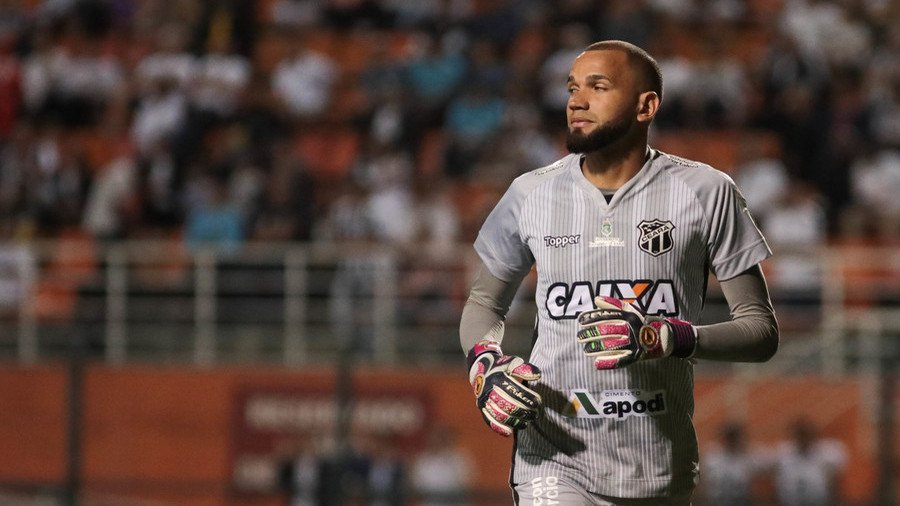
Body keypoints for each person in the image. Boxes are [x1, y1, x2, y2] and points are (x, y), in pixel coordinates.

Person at [459, 40, 779, 505]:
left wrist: (664, 337)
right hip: (552, 457)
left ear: (646, 105)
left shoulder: (706, 192)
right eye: (572, 88)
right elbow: (485, 303)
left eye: (598, 86)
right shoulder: (529, 193)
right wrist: (484, 364)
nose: (576, 100)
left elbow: (761, 331)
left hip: (658, 467)